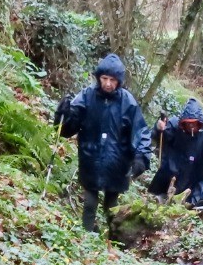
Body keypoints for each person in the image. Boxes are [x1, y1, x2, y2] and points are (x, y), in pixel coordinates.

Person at [57, 54, 153, 232]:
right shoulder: (86, 96)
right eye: (104, 78)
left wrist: (141, 157)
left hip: (117, 163)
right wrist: (63, 114)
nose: (108, 84)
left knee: (112, 207)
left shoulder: (128, 102)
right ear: (98, 78)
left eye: (112, 80)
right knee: (89, 203)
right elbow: (67, 129)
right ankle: (86, 236)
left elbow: (141, 132)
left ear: (119, 81)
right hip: (91, 159)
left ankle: (113, 238)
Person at [148, 98, 203, 209]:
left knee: (197, 200)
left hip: (197, 177)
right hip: (172, 173)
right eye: (188, 123)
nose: (191, 127)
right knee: (160, 197)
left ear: (200, 123)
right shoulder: (175, 125)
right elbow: (161, 136)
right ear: (182, 122)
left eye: (194, 123)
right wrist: (159, 128)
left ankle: (193, 208)